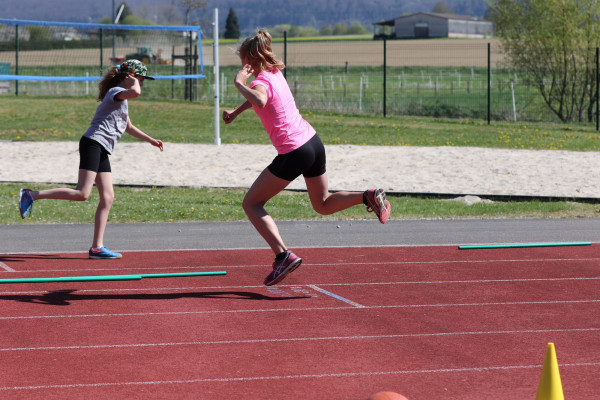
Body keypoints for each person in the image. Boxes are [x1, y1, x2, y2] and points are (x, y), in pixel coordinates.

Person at [223, 29, 391, 286]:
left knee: (251, 203)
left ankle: (283, 256)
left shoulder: (258, 83)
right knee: (322, 204)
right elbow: (262, 98)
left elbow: (260, 97)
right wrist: (236, 111)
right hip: (313, 142)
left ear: (251, 60)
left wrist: (238, 83)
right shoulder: (274, 73)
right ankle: (367, 196)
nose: (241, 64)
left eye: (242, 59)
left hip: (294, 151)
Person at [18, 59, 164, 259]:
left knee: (108, 197)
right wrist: (133, 82)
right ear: (130, 76)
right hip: (93, 143)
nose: (142, 82)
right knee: (82, 193)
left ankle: (96, 248)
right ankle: (31, 195)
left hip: (102, 147)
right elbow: (136, 92)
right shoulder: (115, 92)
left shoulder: (122, 97)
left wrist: (150, 140)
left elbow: (128, 126)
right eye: (141, 78)